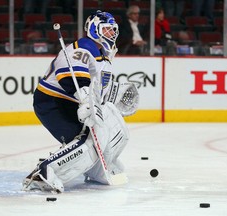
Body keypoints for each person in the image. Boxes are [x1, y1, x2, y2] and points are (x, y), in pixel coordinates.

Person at [22, 10, 141, 193]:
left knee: (113, 127)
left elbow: (98, 90)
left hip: (69, 101)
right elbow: (69, 76)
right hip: (53, 101)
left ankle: (98, 168)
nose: (112, 34)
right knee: (89, 140)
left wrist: (114, 95)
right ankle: (45, 172)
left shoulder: (103, 55)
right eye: (108, 30)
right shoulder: (85, 45)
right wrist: (85, 99)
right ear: (95, 29)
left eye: (113, 30)